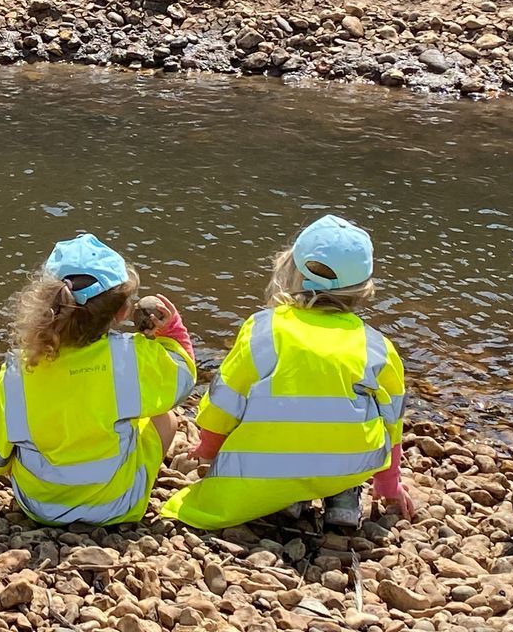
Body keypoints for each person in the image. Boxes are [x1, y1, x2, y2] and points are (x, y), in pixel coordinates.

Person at [163, 215, 416, 532]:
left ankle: (284, 496)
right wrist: (389, 486)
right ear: (363, 289)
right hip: (348, 466)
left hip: (269, 466)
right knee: (353, 422)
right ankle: (343, 497)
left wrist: (210, 448)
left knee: (266, 413)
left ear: (293, 271)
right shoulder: (377, 346)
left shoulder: (264, 330)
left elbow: (225, 400)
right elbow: (392, 424)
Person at [0, 234, 196, 525]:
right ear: (122, 312)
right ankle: (129, 486)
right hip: (114, 506)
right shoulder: (130, 359)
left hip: (39, 506)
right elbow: (184, 375)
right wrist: (172, 330)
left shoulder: (19, 369)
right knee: (165, 418)